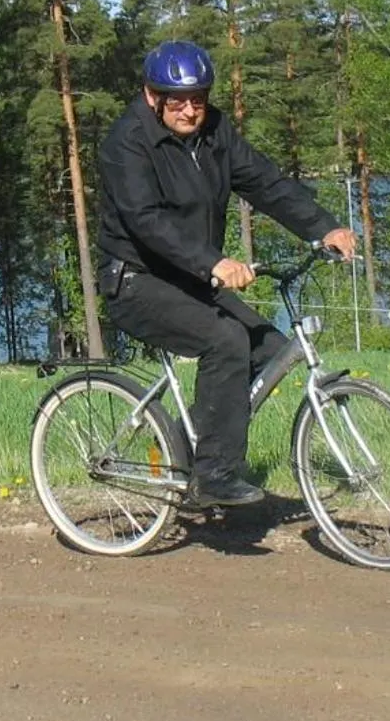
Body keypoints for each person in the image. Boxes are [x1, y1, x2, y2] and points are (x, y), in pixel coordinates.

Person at [98, 40, 357, 507]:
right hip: (135, 280)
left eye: (199, 99)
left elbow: (266, 183)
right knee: (226, 341)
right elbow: (146, 221)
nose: (190, 110)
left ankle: (187, 443)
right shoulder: (125, 144)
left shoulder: (215, 133)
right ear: (151, 96)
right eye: (177, 100)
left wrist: (324, 229)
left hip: (190, 278)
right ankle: (214, 475)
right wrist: (213, 262)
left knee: (273, 351)